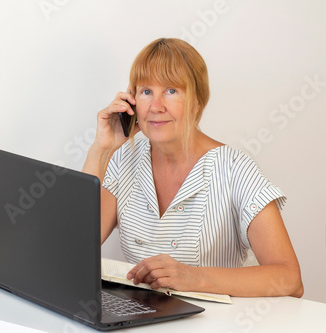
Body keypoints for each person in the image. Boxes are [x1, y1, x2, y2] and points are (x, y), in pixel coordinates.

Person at [83, 38, 303, 297]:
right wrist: (102, 148)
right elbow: (74, 247)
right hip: (141, 318)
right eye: (146, 92)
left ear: (198, 101)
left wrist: (191, 276)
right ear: (132, 102)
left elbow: (290, 280)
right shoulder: (124, 160)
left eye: (171, 91)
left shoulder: (234, 168)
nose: (156, 106)